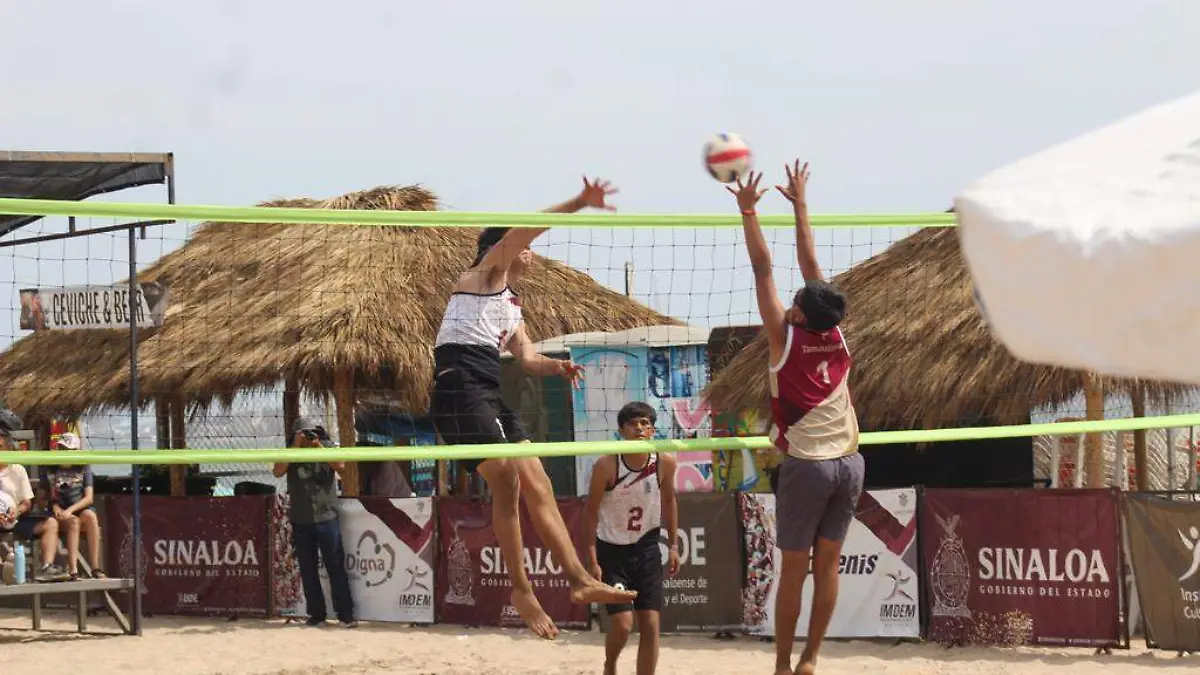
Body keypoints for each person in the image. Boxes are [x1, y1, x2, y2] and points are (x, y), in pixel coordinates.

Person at [429, 175, 636, 639]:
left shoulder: (509, 304)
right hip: (457, 383)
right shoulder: (482, 276)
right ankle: (522, 589)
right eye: (513, 245)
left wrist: (557, 368)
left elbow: (525, 358)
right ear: (497, 249)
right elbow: (527, 230)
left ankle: (579, 580)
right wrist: (580, 203)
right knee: (507, 475)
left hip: (487, 384)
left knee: (534, 477)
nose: (526, 251)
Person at [727, 163, 863, 675]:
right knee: (827, 568)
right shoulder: (835, 333)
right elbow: (810, 268)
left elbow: (764, 268)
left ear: (801, 313)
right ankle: (811, 657)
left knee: (793, 571)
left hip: (808, 466)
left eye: (799, 299)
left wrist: (748, 211)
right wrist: (801, 204)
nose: (797, 295)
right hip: (850, 463)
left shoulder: (785, 337)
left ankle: (783, 664)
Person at [583, 402, 679, 675]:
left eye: (646, 424)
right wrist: (592, 558)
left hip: (647, 547)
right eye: (633, 424)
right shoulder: (607, 465)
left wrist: (673, 546)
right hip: (612, 550)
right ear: (621, 430)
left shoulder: (664, 462)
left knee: (650, 625)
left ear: (652, 430)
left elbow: (670, 502)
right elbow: (589, 514)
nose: (640, 428)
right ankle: (610, 664)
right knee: (623, 624)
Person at [272, 417, 358, 628]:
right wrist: (295, 446)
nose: (307, 437)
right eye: (304, 434)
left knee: (335, 566)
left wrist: (318, 446)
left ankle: (346, 614)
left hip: (326, 517)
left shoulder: (326, 447)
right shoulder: (289, 452)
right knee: (308, 569)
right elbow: (277, 472)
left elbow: (341, 466)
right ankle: (316, 614)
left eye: (310, 433)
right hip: (301, 519)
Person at [0, 410, 69, 582]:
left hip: (14, 519)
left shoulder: (17, 469)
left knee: (51, 523)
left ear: (8, 447)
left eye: (1, 447)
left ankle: (46, 568)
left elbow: (26, 502)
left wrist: (17, 510)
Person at [40, 432, 104, 579]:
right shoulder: (50, 468)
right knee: (73, 522)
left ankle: (96, 567)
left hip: (77, 508)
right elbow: (41, 498)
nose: (65, 453)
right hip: (59, 513)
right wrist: (54, 506)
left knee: (91, 516)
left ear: (76, 452)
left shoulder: (84, 467)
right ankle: (73, 570)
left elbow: (89, 498)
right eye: (62, 449)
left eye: (69, 450)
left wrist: (70, 510)